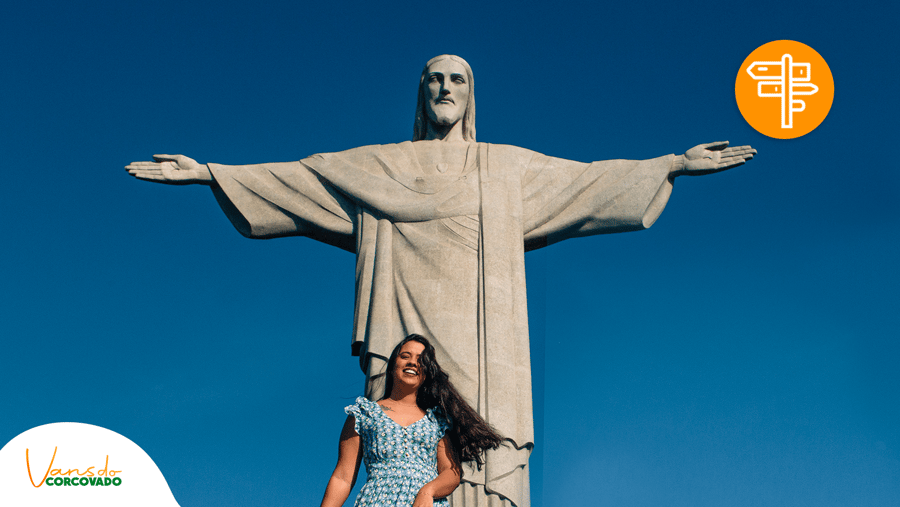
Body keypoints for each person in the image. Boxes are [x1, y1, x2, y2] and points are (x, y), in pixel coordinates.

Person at [126, 55, 756, 507]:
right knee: (402, 426)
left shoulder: (503, 168)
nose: (445, 87)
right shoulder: (381, 166)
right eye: (434, 78)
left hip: (485, 333)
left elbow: (586, 181)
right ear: (420, 92)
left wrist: (671, 163)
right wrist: (212, 173)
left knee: (481, 444)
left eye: (458, 79)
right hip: (406, 318)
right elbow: (303, 180)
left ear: (471, 94)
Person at [320, 334, 503, 507]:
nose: (412, 362)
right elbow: (343, 476)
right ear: (393, 365)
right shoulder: (364, 414)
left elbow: (451, 473)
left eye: (421, 360)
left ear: (427, 372)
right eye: (405, 356)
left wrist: (427, 491)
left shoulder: (436, 422)